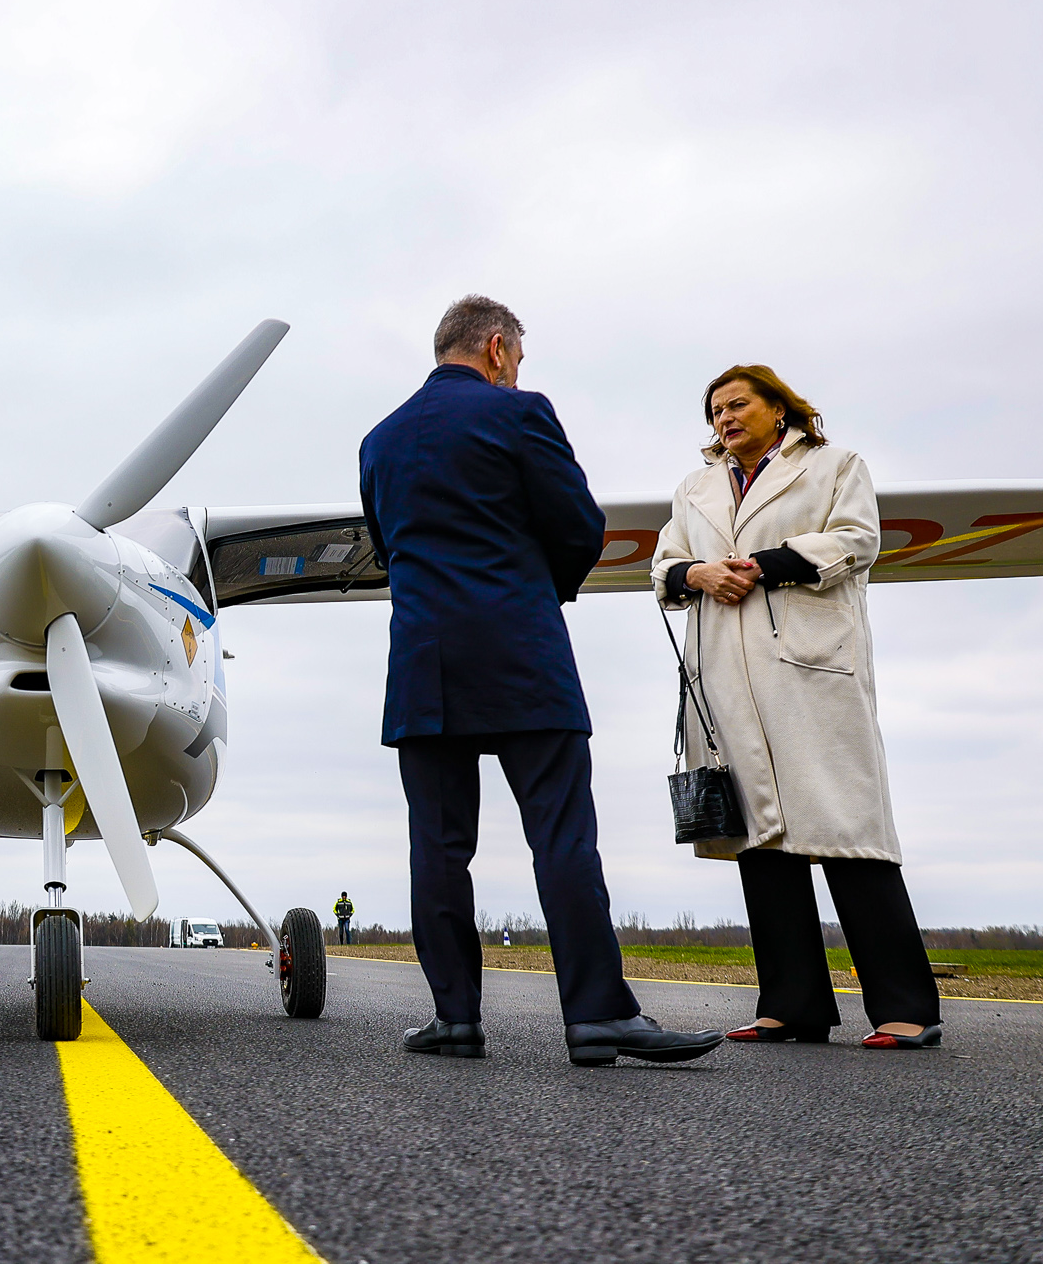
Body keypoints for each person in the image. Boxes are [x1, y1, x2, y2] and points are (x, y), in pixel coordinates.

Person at [359, 295, 724, 1067]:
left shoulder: (378, 442)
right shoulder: (520, 415)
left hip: (423, 665)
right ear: (497, 349)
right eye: (517, 359)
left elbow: (388, 547)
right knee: (560, 837)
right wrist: (534, 586)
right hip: (522, 653)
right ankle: (595, 1015)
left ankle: (454, 1017)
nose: (516, 371)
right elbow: (579, 527)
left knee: (438, 846)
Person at [652, 366, 942, 1049]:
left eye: (737, 404)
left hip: (811, 673)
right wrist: (697, 572)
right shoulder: (694, 488)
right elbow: (664, 565)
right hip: (724, 677)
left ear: (779, 408)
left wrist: (763, 562)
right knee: (759, 839)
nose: (724, 418)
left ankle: (906, 1006)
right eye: (715, 410)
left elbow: (856, 539)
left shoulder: (836, 466)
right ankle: (793, 1003)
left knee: (849, 830)